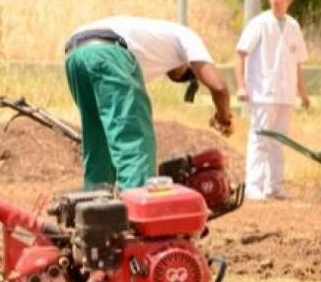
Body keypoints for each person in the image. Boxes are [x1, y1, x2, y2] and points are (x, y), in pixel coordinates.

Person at [63, 17, 233, 190]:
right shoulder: (187, 36)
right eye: (188, 74)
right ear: (189, 62)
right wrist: (224, 118)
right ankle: (137, 209)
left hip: (75, 56)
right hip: (109, 51)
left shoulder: (154, 44)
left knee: (99, 140)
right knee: (133, 138)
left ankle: (95, 207)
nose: (181, 77)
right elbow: (219, 87)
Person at [234, 0, 309, 201]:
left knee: (279, 141)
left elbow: (298, 62)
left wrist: (303, 93)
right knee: (260, 138)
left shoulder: (293, 26)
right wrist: (241, 86)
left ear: (289, 0)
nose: (275, 0)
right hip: (262, 91)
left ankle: (273, 186)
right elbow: (240, 53)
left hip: (285, 94)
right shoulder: (260, 23)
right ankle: (254, 185)